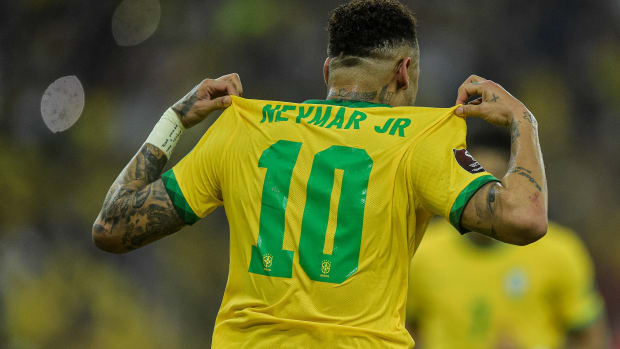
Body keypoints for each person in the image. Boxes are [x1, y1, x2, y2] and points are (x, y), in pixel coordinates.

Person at [92, 0, 548, 347]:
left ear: (328, 69)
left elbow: (111, 227)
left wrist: (174, 119)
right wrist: (522, 119)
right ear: (404, 73)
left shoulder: (241, 128)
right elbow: (525, 217)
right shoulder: (420, 138)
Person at [406, 145, 610, 349]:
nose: (482, 197)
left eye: (492, 185)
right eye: (471, 184)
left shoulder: (558, 251)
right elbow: (403, 327)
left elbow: (590, 335)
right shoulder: (421, 252)